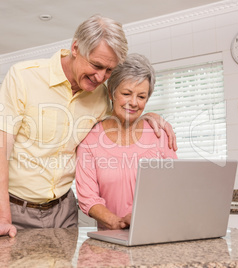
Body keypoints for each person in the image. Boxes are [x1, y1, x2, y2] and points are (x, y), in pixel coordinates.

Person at [0, 15, 177, 241]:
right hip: (17, 210)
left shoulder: (100, 95)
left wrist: (149, 116)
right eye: (96, 65)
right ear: (75, 48)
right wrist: (2, 218)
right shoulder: (23, 77)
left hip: (65, 211)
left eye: (109, 71)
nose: (100, 77)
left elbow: (126, 110)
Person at [75, 53, 177, 230]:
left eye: (141, 96)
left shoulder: (159, 134)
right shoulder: (90, 140)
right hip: (111, 237)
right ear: (111, 93)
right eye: (126, 93)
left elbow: (174, 187)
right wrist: (118, 223)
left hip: (156, 232)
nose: (133, 102)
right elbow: (87, 197)